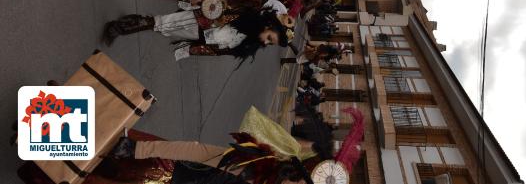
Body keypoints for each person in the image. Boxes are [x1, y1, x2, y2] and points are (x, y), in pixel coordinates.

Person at [110, 106, 364, 184]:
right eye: (301, 180)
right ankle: (131, 148)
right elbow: (194, 151)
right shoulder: (255, 163)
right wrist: (137, 149)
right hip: (175, 175)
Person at [104, 0, 292, 65]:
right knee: (162, 23)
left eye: (270, 43)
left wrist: (192, 49)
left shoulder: (247, 45)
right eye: (269, 38)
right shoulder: (246, 16)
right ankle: (117, 28)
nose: (266, 43)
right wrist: (201, 2)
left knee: (162, 29)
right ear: (268, 27)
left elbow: (217, 50)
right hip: (200, 20)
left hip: (199, 35)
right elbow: (222, 5)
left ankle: (129, 21)